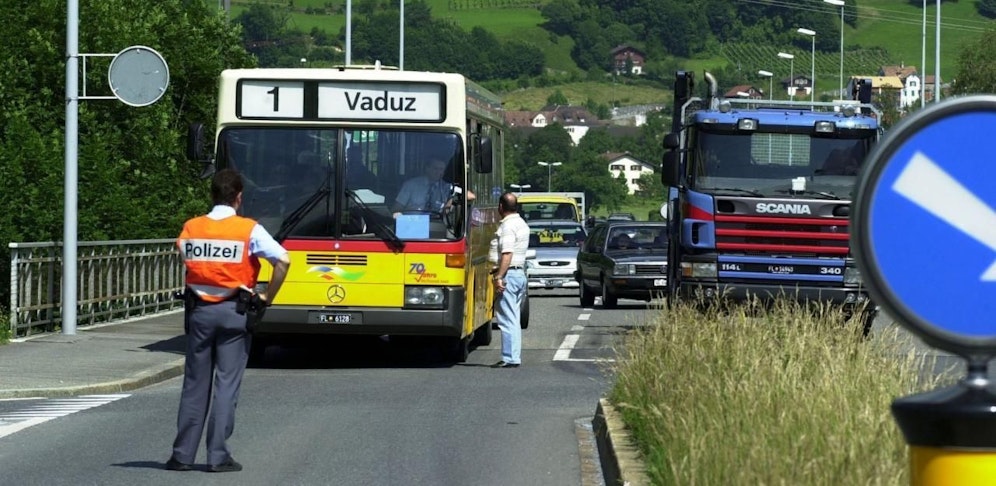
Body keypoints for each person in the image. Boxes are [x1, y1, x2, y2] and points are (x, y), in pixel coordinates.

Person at [167, 168, 291, 473]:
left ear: (212, 195)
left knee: (195, 384)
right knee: (226, 384)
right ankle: (217, 456)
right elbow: (283, 260)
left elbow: (183, 254)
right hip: (235, 313)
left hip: (199, 313)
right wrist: (266, 298)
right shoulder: (248, 229)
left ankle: (182, 456)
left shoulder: (191, 227)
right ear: (238, 198)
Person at [491, 192, 530, 369]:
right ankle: (513, 356)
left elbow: (507, 253)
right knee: (513, 317)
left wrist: (499, 276)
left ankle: (510, 357)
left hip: (509, 274)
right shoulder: (521, 223)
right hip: (519, 273)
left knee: (507, 318)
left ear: (501, 207)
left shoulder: (508, 226)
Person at [392, 158, 474, 218]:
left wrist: (452, 200)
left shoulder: (447, 187)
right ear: (427, 168)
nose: (438, 172)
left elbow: (470, 196)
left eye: (441, 169)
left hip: (437, 227)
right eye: (435, 168)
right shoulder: (411, 185)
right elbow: (396, 209)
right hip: (412, 224)